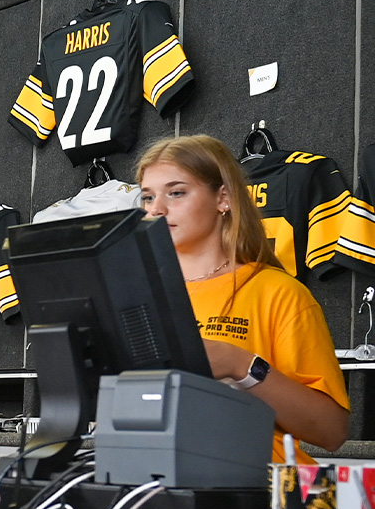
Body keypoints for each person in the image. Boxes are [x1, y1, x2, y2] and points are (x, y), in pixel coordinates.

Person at [136, 134, 349, 461]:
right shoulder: (139, 296)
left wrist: (240, 365)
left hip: (257, 494)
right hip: (150, 486)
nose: (157, 209)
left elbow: (331, 431)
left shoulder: (279, 293)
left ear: (224, 198)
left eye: (176, 193)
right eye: (148, 198)